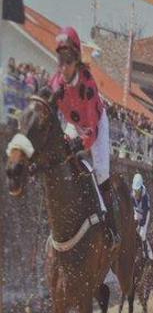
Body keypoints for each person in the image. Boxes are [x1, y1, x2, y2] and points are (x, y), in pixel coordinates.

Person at [49, 26, 118, 243]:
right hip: (74, 123)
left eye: (68, 60)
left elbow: (92, 130)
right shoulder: (56, 82)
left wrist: (79, 144)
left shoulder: (87, 84)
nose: (64, 66)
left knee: (101, 174)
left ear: (77, 60)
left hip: (96, 124)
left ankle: (112, 228)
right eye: (60, 60)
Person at [131, 173, 152, 260]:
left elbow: (145, 213)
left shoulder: (145, 197)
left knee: (142, 234)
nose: (136, 193)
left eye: (138, 191)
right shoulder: (131, 195)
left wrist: (140, 225)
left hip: (145, 215)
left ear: (141, 188)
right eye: (135, 190)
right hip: (136, 213)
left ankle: (147, 254)